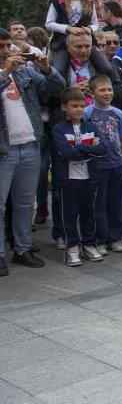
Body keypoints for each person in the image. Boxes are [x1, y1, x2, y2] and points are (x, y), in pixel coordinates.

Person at [0, 50, 63, 274]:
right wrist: (4, 72)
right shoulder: (8, 70)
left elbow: (55, 91)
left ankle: (22, 249)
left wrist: (47, 69)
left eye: (8, 45)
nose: (6, 49)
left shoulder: (24, 71)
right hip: (4, 150)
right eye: (1, 45)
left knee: (25, 203)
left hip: (30, 144)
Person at [51, 88, 107, 267]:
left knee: (88, 213)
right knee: (68, 215)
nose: (79, 109)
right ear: (64, 107)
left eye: (82, 106)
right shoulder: (58, 129)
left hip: (89, 178)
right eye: (74, 106)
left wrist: (80, 148)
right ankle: (72, 247)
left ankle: (89, 244)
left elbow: (103, 149)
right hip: (67, 179)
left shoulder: (91, 126)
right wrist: (88, 147)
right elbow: (66, 154)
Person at [85, 75, 122, 254]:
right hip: (97, 165)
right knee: (99, 203)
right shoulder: (88, 112)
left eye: (109, 89)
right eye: (102, 90)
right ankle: (100, 238)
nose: (107, 93)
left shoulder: (118, 113)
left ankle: (116, 237)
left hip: (116, 163)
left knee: (116, 202)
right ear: (92, 92)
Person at [44, 0, 108, 75]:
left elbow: (95, 24)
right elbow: (49, 23)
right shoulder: (57, 0)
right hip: (63, 44)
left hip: (86, 43)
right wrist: (68, 28)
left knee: (107, 68)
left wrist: (89, 28)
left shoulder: (89, 1)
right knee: (58, 71)